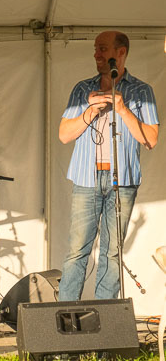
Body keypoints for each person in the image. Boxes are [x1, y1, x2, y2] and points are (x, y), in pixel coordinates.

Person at [57, 31, 159, 301]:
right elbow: (64, 135)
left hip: (122, 181)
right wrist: (90, 111)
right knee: (77, 250)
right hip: (86, 179)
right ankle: (65, 313)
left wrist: (123, 109)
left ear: (121, 52)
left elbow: (150, 139)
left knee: (112, 252)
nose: (96, 54)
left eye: (102, 48)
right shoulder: (82, 89)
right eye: (95, 49)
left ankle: (105, 314)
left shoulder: (142, 91)